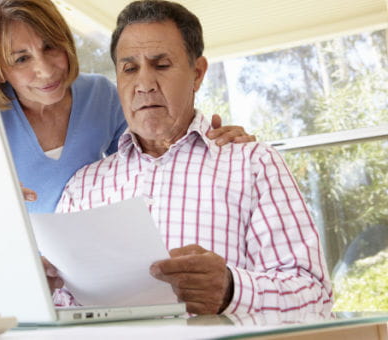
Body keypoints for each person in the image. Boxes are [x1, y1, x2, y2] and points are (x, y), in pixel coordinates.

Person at [54, 0, 333, 315]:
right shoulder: (83, 186)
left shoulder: (253, 164)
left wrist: (231, 290)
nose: (144, 84)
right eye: (129, 68)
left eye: (161, 64)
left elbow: (315, 296)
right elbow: (61, 306)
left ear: (197, 74)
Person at [0, 0, 255, 214]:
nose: (45, 69)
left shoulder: (100, 95)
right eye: (21, 59)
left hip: (85, 270)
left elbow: (153, 152)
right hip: (15, 266)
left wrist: (214, 142)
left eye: (50, 47)